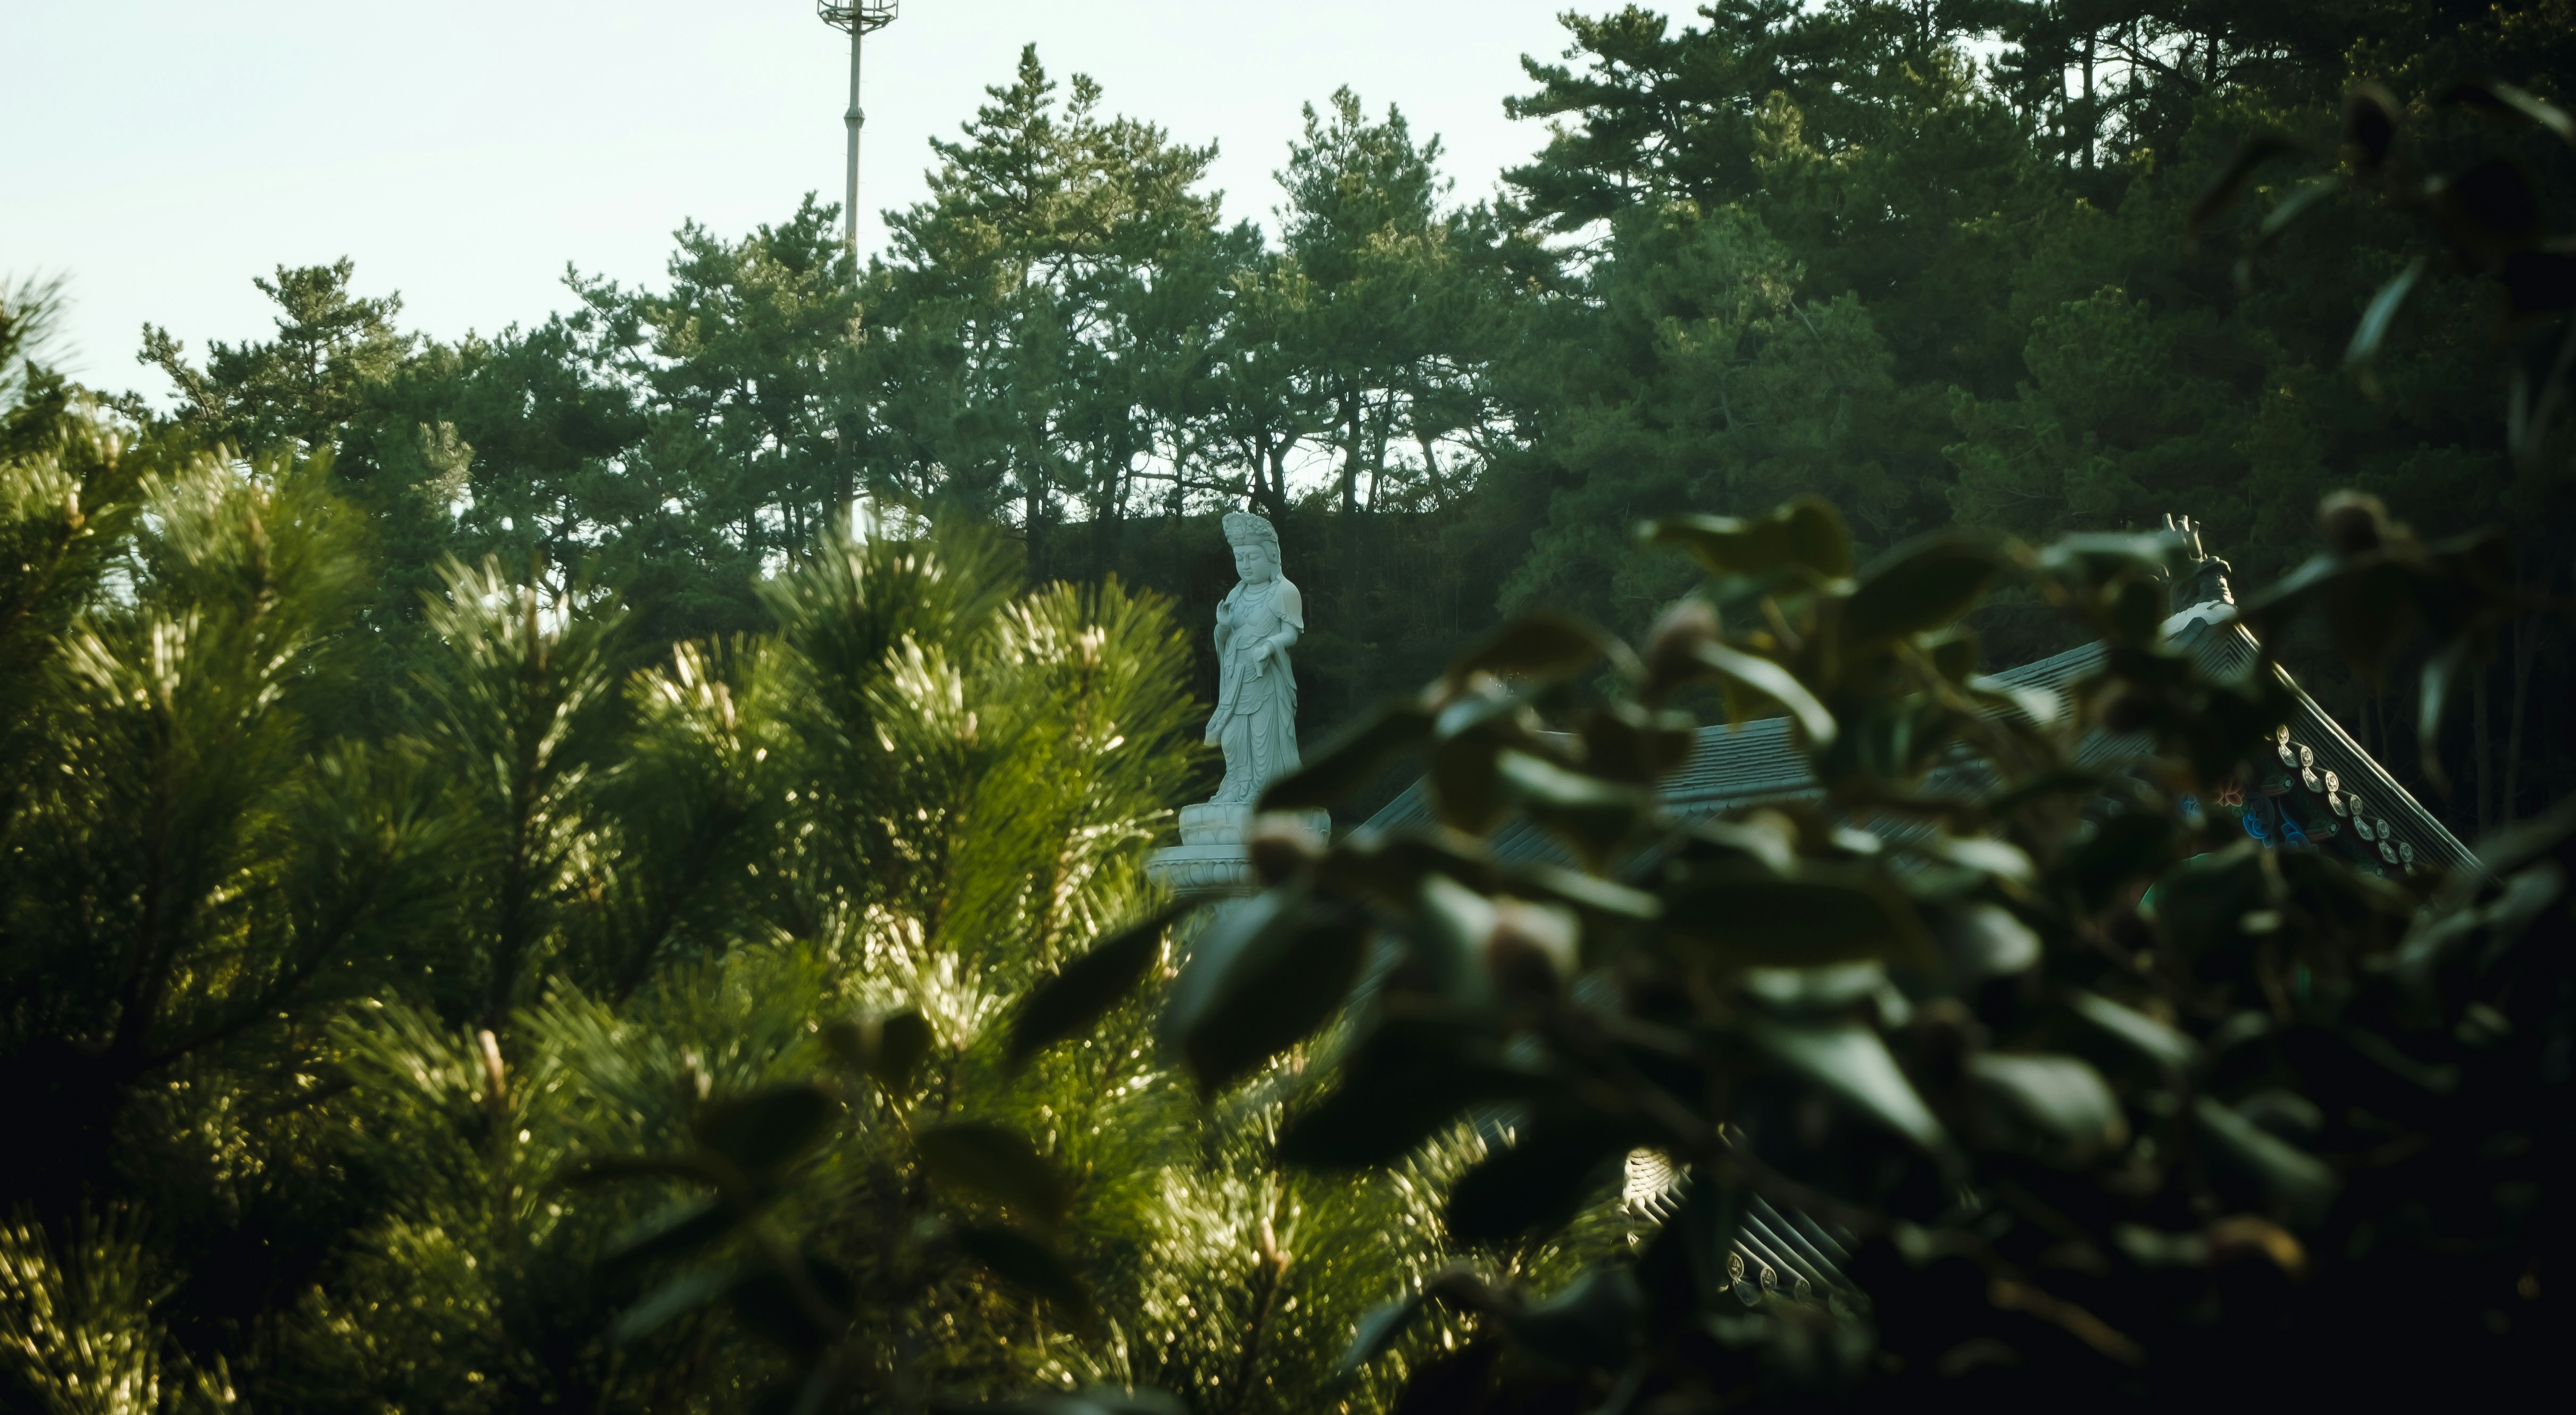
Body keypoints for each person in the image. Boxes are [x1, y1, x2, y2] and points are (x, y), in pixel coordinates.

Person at [1207, 511, 1303, 805]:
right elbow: (1224, 638)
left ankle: (1266, 790)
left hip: (1265, 681)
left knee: (1264, 738)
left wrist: (1271, 645)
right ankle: (1236, 786)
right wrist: (1222, 626)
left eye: (1252, 557)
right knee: (1233, 738)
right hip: (1236, 680)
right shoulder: (1236, 595)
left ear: (1272, 556)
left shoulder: (1284, 591)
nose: (1245, 565)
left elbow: (1292, 633)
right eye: (1240, 558)